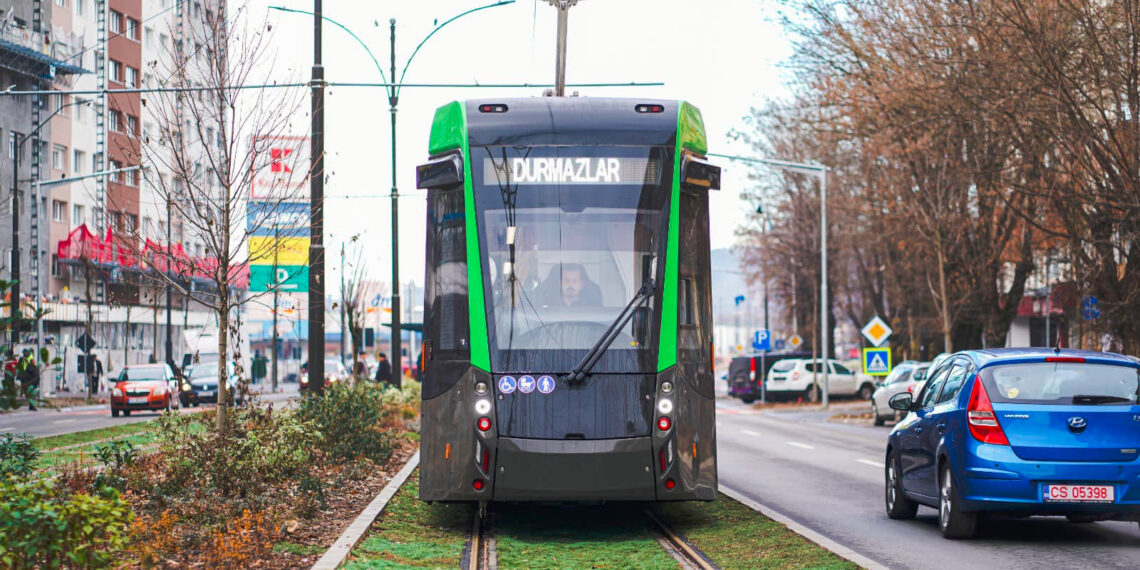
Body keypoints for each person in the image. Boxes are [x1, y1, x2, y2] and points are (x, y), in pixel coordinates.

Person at [539, 263, 603, 308]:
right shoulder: (549, 306)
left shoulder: (590, 307)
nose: (570, 285)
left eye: (574, 281)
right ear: (560, 284)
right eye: (566, 280)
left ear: (581, 284)